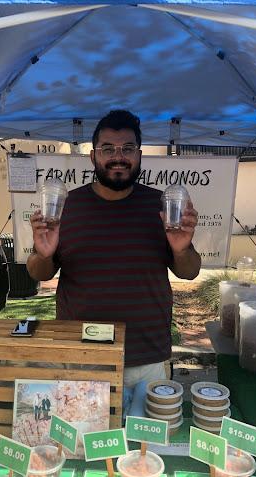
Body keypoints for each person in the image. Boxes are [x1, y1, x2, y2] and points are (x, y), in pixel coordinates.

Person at [27, 110, 201, 387]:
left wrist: (182, 250)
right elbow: (39, 273)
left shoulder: (162, 206)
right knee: (83, 430)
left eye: (128, 148)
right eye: (107, 149)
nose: (118, 157)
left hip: (146, 358)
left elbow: (190, 272)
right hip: (81, 352)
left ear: (140, 155)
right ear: (93, 156)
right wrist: (43, 255)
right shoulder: (65, 206)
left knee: (144, 431)